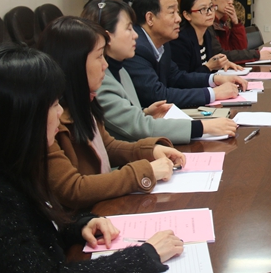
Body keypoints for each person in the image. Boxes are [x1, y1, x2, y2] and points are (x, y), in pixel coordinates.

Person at [0, 45, 183, 271]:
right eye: (54, 105)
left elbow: (39, 231)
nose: (59, 112)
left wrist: (79, 225)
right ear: (22, 117)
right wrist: (145, 256)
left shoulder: (13, 165)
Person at [37, 16, 187, 211]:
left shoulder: (85, 99)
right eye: (99, 56)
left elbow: (107, 146)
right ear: (74, 63)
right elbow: (72, 189)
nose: (105, 65)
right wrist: (144, 171)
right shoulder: (50, 120)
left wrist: (150, 151)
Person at [82, 0, 237, 144]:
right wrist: (203, 127)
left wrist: (145, 113)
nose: (135, 35)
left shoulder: (120, 69)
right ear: (107, 37)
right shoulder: (99, 81)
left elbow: (125, 118)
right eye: (129, 29)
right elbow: (137, 128)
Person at [123, 0, 248, 109]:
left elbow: (176, 77)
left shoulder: (163, 42)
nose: (178, 19)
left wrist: (215, 79)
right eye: (172, 13)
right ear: (150, 18)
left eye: (177, 13)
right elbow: (156, 95)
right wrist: (213, 93)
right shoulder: (136, 48)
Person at [203, 0, 271, 63]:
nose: (231, 2)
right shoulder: (206, 23)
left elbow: (240, 49)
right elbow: (220, 55)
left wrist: (236, 23)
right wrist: (257, 55)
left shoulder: (224, 21)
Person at [170, 0, 241, 74]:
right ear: (187, 15)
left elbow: (206, 70)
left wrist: (220, 64)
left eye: (211, 7)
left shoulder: (206, 34)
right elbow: (182, 78)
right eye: (203, 9)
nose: (210, 12)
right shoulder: (180, 40)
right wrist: (209, 67)